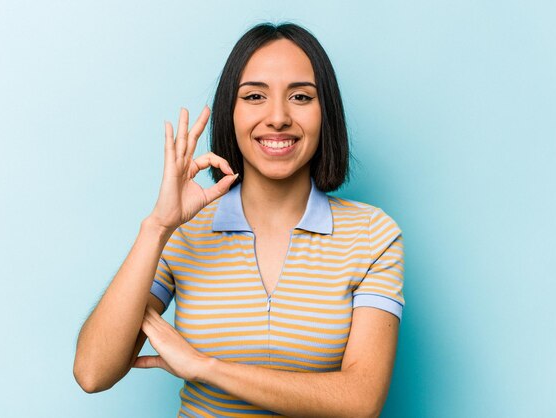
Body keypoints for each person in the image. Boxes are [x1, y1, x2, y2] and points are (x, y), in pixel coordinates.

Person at [73, 22, 405, 417]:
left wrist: (204, 367)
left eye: (300, 96)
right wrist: (158, 226)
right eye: (254, 96)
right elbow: (93, 372)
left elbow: (360, 401)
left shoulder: (373, 235)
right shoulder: (184, 232)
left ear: (325, 113)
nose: (278, 117)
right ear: (231, 112)